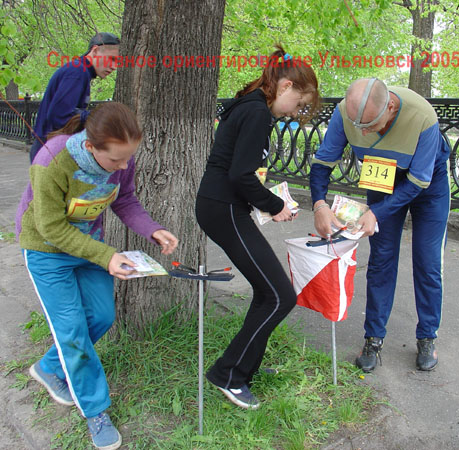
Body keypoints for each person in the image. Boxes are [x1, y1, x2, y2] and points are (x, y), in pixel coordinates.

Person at [16, 102, 179, 449]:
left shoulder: (121, 157)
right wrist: (107, 256)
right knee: (72, 333)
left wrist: (153, 230)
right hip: (47, 252)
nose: (123, 167)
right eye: (115, 161)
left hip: (91, 248)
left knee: (103, 315)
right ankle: (96, 412)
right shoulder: (52, 161)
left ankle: (49, 367)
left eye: (128, 159)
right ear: (90, 146)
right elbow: (51, 226)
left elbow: (126, 200)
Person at [195, 44, 320, 409]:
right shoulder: (257, 113)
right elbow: (240, 176)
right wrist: (275, 205)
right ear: (284, 87)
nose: (296, 113)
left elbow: (241, 172)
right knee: (281, 295)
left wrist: (263, 200)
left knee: (271, 294)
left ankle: (244, 365)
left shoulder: (250, 105)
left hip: (223, 207)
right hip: (224, 209)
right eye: (299, 103)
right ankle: (228, 374)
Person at [310, 78, 450, 373]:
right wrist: (319, 205)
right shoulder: (345, 113)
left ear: (391, 106)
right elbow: (323, 163)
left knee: (427, 261)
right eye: (357, 126)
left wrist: (377, 213)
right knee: (382, 259)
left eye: (370, 126)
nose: (362, 133)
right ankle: (373, 337)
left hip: (427, 185)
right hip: (383, 179)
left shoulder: (422, 116)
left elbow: (417, 182)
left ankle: (427, 336)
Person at [29, 32, 120, 162]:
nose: (114, 66)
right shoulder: (77, 73)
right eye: (111, 59)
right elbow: (59, 116)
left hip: (48, 149)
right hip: (49, 152)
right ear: (95, 51)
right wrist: (98, 118)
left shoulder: (79, 71)